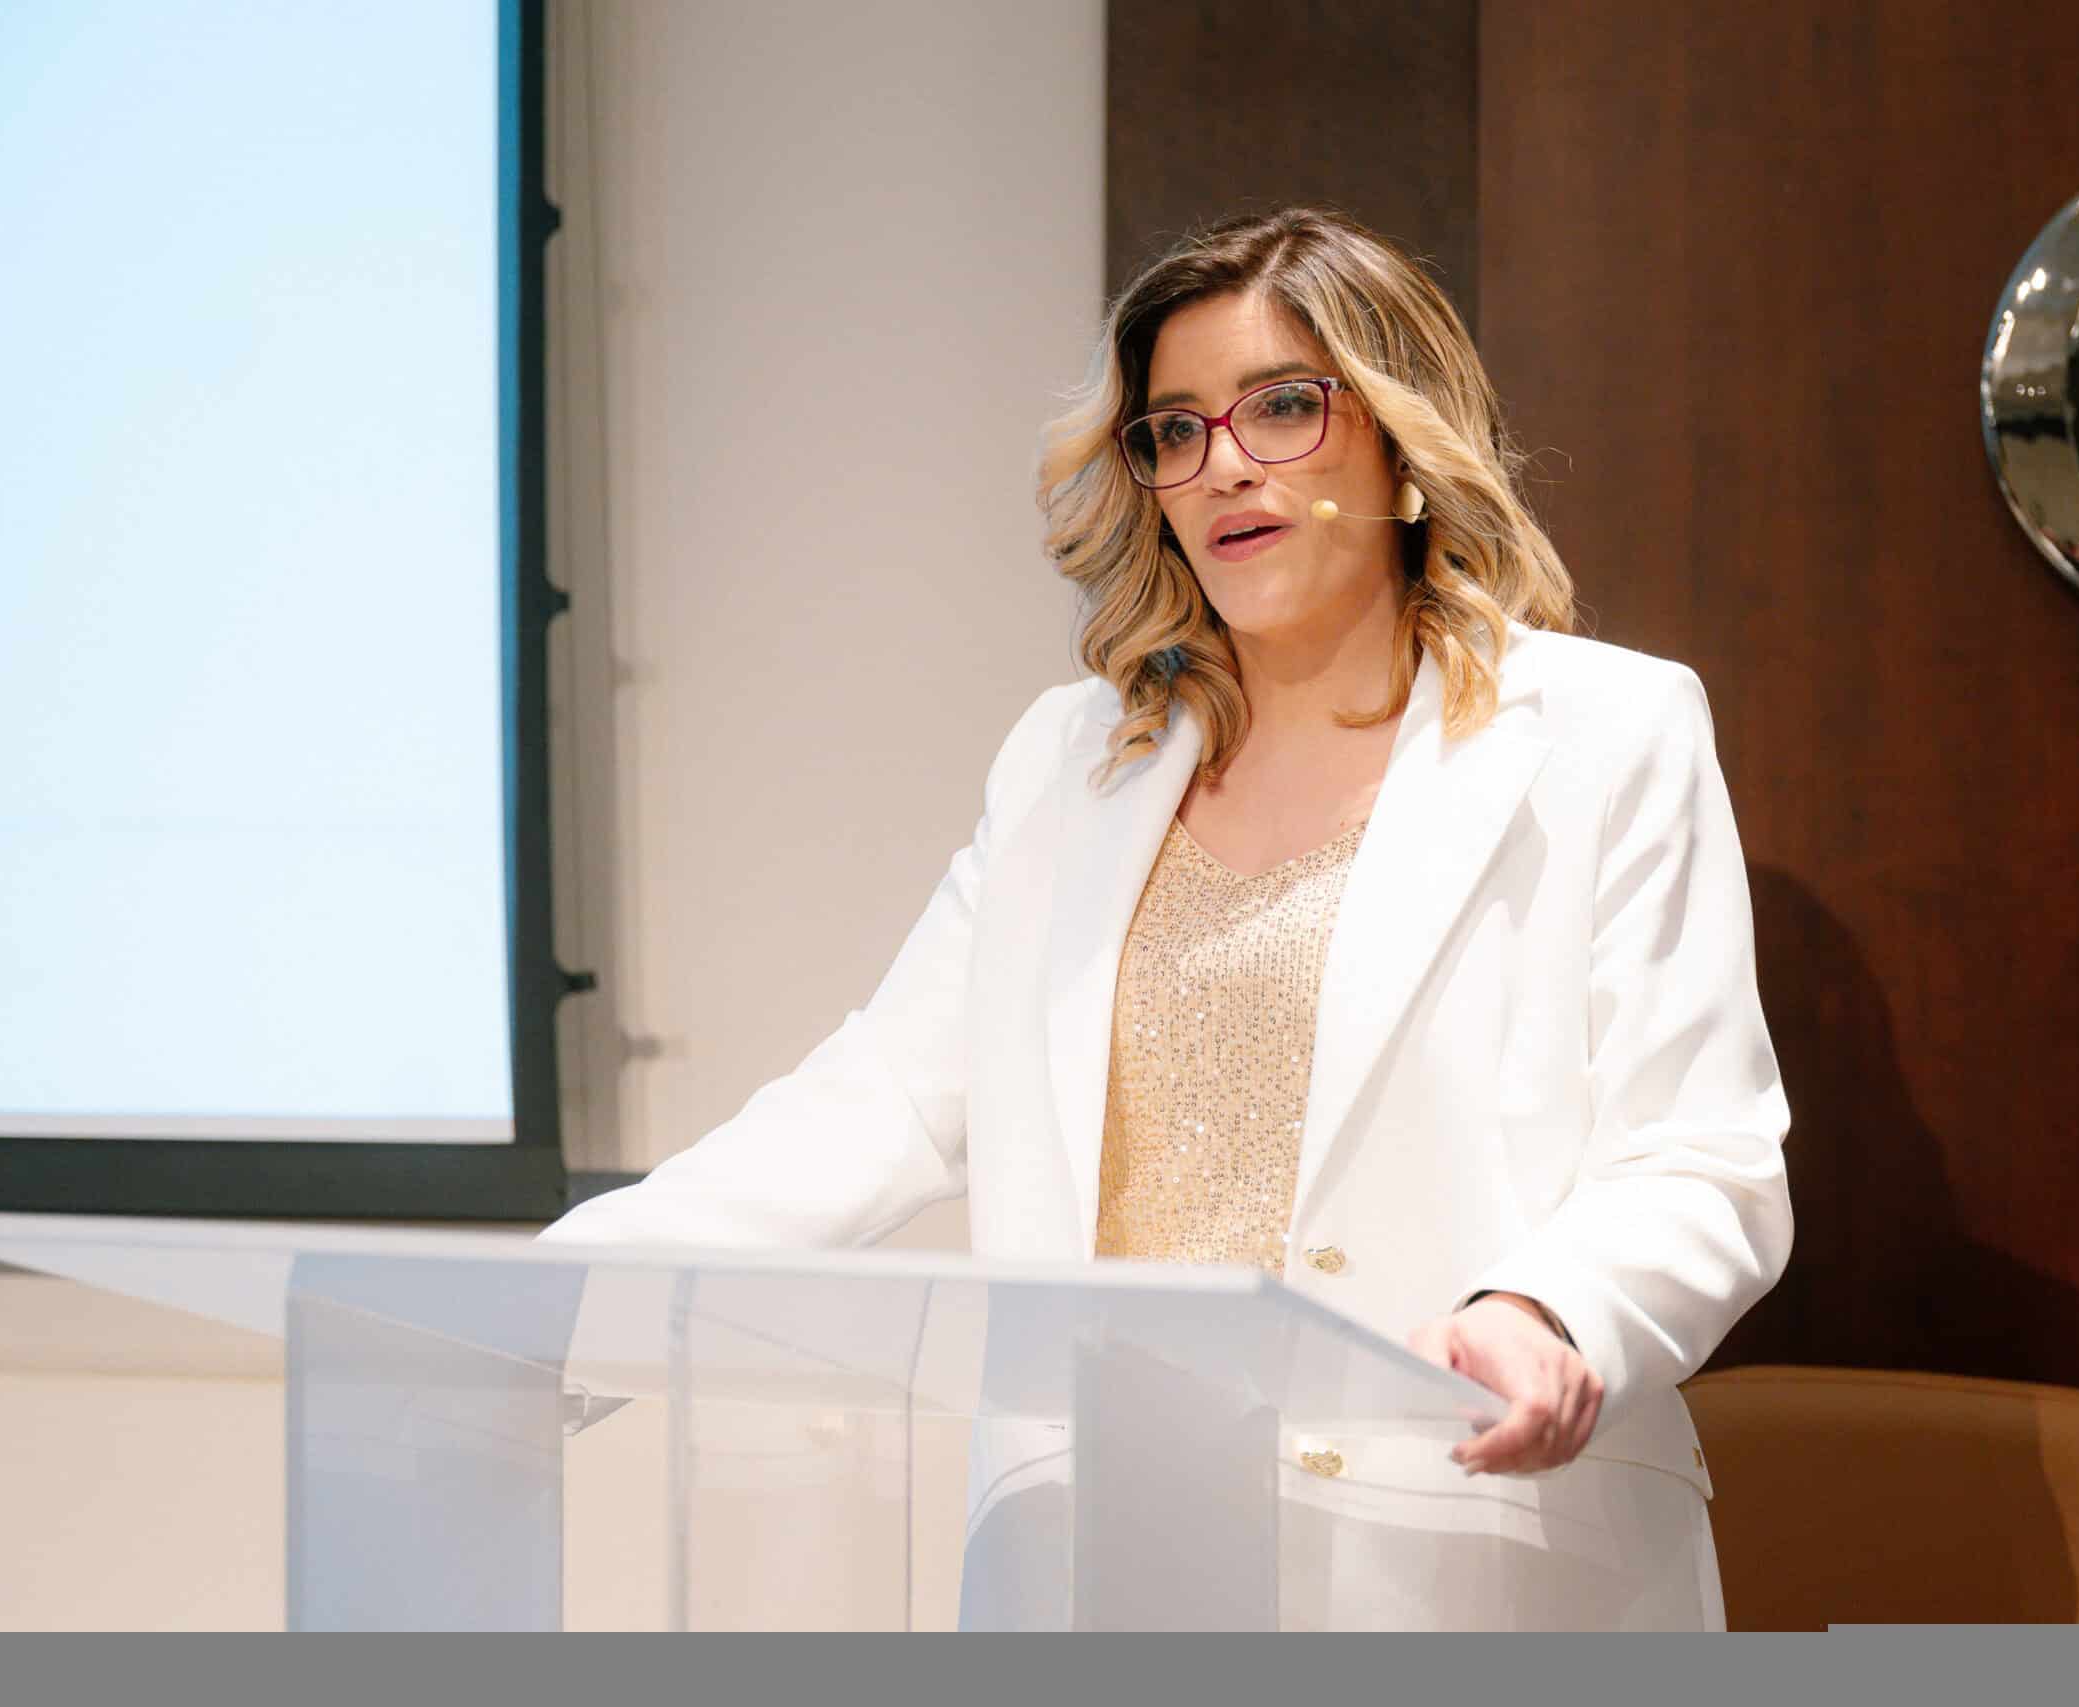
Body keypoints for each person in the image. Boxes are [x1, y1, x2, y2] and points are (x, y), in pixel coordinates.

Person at [538, 205, 1792, 1630]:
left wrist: (1548, 1312)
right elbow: (882, 1100)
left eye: (1284, 407)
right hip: (1108, 1556)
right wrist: (564, 1289)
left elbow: (1706, 1160)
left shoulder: (1607, 731)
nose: (1224, 465)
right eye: (1175, 430)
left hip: (1461, 1557)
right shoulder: (1070, 762)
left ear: (1400, 438)